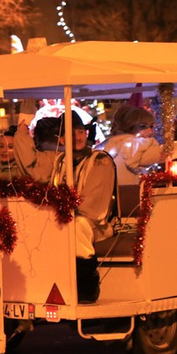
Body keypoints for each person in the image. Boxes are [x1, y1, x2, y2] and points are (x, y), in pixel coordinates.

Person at [15, 108, 115, 303]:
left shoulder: (100, 161)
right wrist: (22, 130)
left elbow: (93, 205)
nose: (77, 137)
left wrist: (64, 212)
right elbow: (31, 166)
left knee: (78, 226)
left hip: (96, 224)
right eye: (71, 133)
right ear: (61, 140)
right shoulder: (58, 160)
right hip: (64, 218)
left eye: (80, 132)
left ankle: (87, 286)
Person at [101, 105, 177, 185]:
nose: (150, 130)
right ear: (131, 125)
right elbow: (167, 152)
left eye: (151, 126)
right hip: (126, 198)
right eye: (143, 126)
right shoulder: (133, 145)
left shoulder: (112, 143)